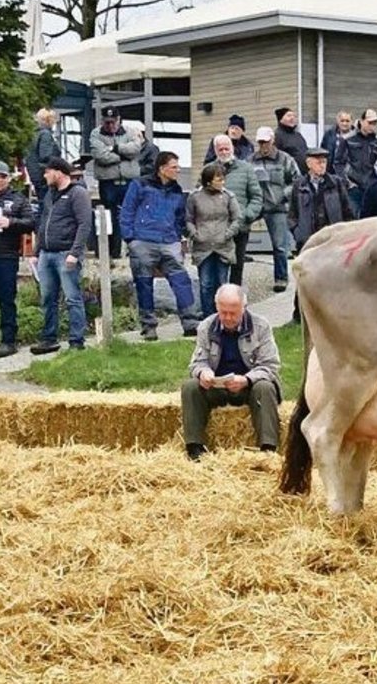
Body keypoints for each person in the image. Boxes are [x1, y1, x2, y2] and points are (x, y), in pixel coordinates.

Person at [180, 284, 282, 460]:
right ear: (217, 307)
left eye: (233, 313)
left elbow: (270, 366)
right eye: (223, 312)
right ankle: (195, 448)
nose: (227, 317)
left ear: (244, 308)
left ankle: (268, 450)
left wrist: (246, 379)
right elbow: (197, 362)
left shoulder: (261, 326)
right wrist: (203, 372)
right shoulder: (206, 326)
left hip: (250, 387)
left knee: (265, 388)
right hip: (218, 386)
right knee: (190, 387)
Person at [120, 151, 201, 340]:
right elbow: (127, 211)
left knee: (182, 280)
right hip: (142, 241)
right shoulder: (139, 185)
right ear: (162, 169)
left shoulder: (177, 191)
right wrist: (130, 239)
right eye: (174, 167)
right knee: (144, 284)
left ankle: (190, 323)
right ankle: (149, 327)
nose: (178, 170)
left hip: (169, 241)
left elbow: (180, 217)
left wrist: (180, 236)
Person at [31, 157, 91, 354]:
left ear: (58, 172)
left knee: (72, 298)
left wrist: (75, 253)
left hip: (66, 253)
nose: (45, 175)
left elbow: (84, 224)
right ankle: (49, 338)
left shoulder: (78, 193)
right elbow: (43, 224)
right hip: (46, 254)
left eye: (47, 172)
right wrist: (36, 251)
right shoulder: (49, 194)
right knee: (48, 298)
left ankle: (76, 340)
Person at [187, 164, 241, 319]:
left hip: (223, 246)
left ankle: (223, 315)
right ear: (209, 180)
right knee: (205, 284)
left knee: (222, 284)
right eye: (219, 179)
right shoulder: (194, 197)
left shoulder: (229, 197)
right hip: (203, 247)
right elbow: (188, 219)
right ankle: (207, 316)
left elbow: (237, 219)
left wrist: (228, 234)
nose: (222, 182)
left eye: (223, 179)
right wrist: (194, 234)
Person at [250, 127, 301, 292]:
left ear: (272, 141)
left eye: (266, 141)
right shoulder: (250, 160)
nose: (263, 145)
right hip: (256, 205)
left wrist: (282, 195)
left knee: (279, 246)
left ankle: (281, 279)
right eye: (260, 142)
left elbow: (297, 181)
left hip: (278, 207)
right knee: (239, 239)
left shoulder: (285, 159)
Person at [209, 134, 263, 286]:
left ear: (232, 148)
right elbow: (200, 196)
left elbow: (257, 197)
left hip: (240, 227)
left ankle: (235, 302)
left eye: (227, 148)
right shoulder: (209, 170)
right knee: (217, 267)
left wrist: (246, 215)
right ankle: (218, 302)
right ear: (215, 150)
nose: (224, 152)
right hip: (216, 228)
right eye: (221, 149)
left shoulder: (246, 169)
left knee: (237, 266)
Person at [88, 106, 141, 259]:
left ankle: (129, 250)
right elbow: (101, 156)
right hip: (108, 183)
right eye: (107, 122)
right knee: (109, 216)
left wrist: (115, 148)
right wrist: (124, 156)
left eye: (113, 122)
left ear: (119, 120)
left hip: (129, 181)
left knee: (129, 214)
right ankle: (111, 251)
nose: (110, 126)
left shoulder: (130, 131)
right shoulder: (96, 134)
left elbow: (136, 149)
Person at [0, 162, 35, 357]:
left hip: (6, 255)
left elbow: (30, 222)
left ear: (9, 178)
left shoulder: (18, 199)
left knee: (6, 299)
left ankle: (8, 341)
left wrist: (10, 222)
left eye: (2, 176)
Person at [288, 148, 353, 251]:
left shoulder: (336, 183)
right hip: (307, 241)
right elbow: (292, 214)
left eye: (324, 162)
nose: (322, 165)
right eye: (319, 162)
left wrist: (344, 233)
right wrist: (298, 233)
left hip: (333, 240)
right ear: (309, 164)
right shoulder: (299, 185)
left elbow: (348, 212)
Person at [333, 109, 377, 215]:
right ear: (361, 121)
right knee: (353, 217)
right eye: (370, 123)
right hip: (352, 186)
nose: (372, 126)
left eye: (374, 123)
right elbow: (338, 163)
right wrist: (346, 183)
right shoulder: (348, 139)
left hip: (371, 186)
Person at [25, 108, 59, 191]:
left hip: (34, 172)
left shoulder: (34, 134)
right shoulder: (45, 134)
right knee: (47, 199)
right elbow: (45, 156)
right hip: (44, 174)